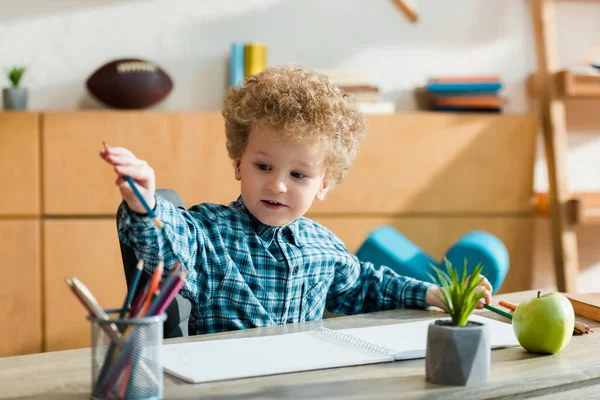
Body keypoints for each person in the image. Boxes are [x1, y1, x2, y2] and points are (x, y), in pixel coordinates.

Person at [100, 64, 492, 335]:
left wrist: (432, 294)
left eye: (299, 175)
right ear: (239, 162)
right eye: (263, 167)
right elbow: (165, 243)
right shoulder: (208, 234)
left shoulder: (322, 245)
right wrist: (145, 202)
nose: (278, 186)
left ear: (325, 183)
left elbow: (365, 285)